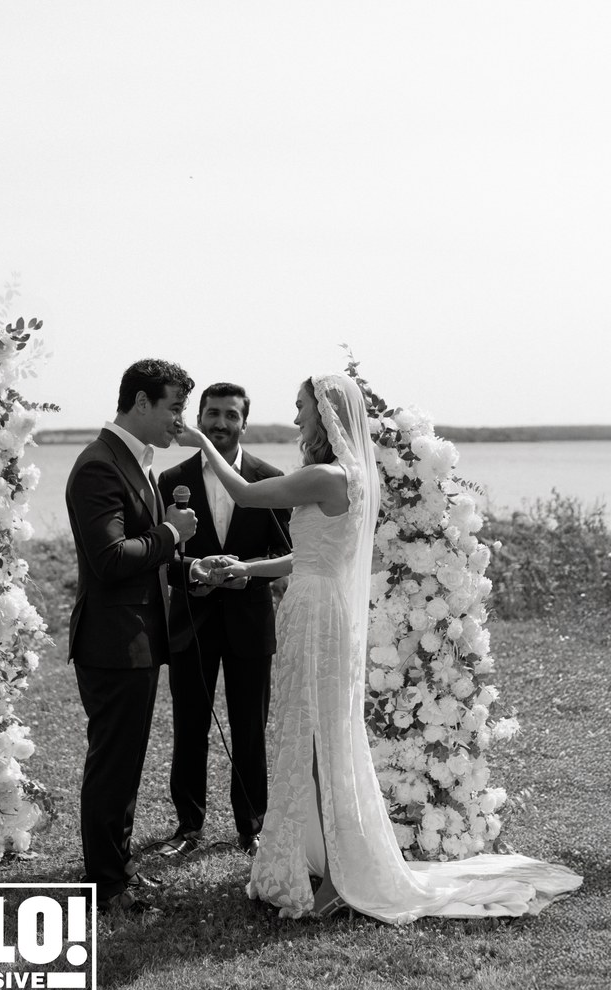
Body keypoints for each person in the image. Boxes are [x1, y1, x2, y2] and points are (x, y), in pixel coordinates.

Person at [176, 372, 582, 922]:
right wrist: (247, 569)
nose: (296, 419)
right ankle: (325, 858)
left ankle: (340, 876)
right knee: (315, 734)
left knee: (321, 740)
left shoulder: (325, 474)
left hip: (318, 613)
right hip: (315, 603)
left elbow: (245, 494)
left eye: (301, 408)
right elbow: (309, 555)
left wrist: (202, 442)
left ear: (325, 414)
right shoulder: (353, 476)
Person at [66, 358, 226, 915]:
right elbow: (111, 560)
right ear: (140, 403)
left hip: (138, 638)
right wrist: (170, 532)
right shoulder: (98, 467)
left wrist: (192, 569)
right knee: (113, 764)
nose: (179, 422)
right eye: (174, 408)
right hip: (112, 641)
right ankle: (105, 885)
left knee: (128, 761)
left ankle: (120, 868)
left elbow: (151, 560)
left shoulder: (137, 463)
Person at [156, 382, 291, 858]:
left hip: (250, 621)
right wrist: (192, 571)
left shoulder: (270, 477)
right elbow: (159, 555)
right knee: (189, 726)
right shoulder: (169, 478)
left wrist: (247, 577)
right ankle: (187, 828)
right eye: (212, 414)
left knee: (250, 727)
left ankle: (251, 826)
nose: (220, 423)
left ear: (244, 422)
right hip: (190, 618)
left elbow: (288, 552)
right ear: (201, 417)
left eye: (230, 416)